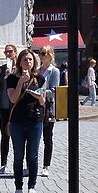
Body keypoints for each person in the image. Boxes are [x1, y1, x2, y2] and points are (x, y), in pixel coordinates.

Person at [7, 48, 46, 193]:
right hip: (17, 121)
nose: (27, 62)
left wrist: (39, 97)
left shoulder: (39, 78)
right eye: (25, 59)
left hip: (35, 120)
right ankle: (18, 188)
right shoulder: (11, 78)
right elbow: (12, 99)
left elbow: (43, 101)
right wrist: (20, 83)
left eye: (30, 60)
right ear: (19, 62)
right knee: (18, 156)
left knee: (33, 155)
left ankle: (32, 187)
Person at [0, 43, 18, 172]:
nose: (8, 54)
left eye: (10, 52)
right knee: (5, 136)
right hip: (3, 106)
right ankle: (3, 164)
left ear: (15, 53)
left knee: (17, 136)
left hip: (16, 107)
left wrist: (13, 74)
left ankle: (18, 163)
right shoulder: (0, 69)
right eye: (6, 52)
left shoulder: (19, 69)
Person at [39, 46, 60, 175]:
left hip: (48, 108)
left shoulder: (54, 71)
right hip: (36, 107)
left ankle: (46, 165)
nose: (42, 56)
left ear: (50, 55)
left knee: (47, 137)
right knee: (33, 138)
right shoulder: (36, 70)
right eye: (41, 53)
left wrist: (39, 92)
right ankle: (31, 165)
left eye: (45, 53)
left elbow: (54, 91)